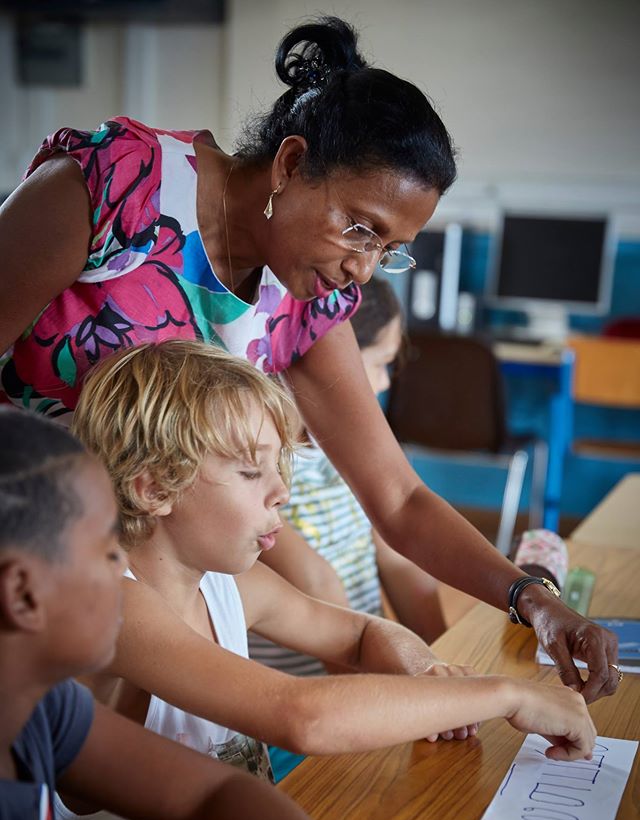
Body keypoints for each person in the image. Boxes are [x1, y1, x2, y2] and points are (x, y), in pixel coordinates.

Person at [0, 16, 617, 699]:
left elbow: (398, 496)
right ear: (291, 164)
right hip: (29, 558)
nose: (364, 268)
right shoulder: (118, 187)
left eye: (388, 250)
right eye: (361, 228)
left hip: (152, 583)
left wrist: (535, 600)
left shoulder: (306, 296)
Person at [0, 406, 424, 820]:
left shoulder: (44, 713)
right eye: (106, 548)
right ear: (24, 595)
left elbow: (217, 793)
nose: (122, 568)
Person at [251, 276, 447, 685]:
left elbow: (396, 557)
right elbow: (313, 580)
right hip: (308, 692)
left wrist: (443, 660)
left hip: (370, 671)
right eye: (381, 362)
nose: (386, 381)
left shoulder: (350, 447)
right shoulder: (260, 463)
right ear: (336, 355)